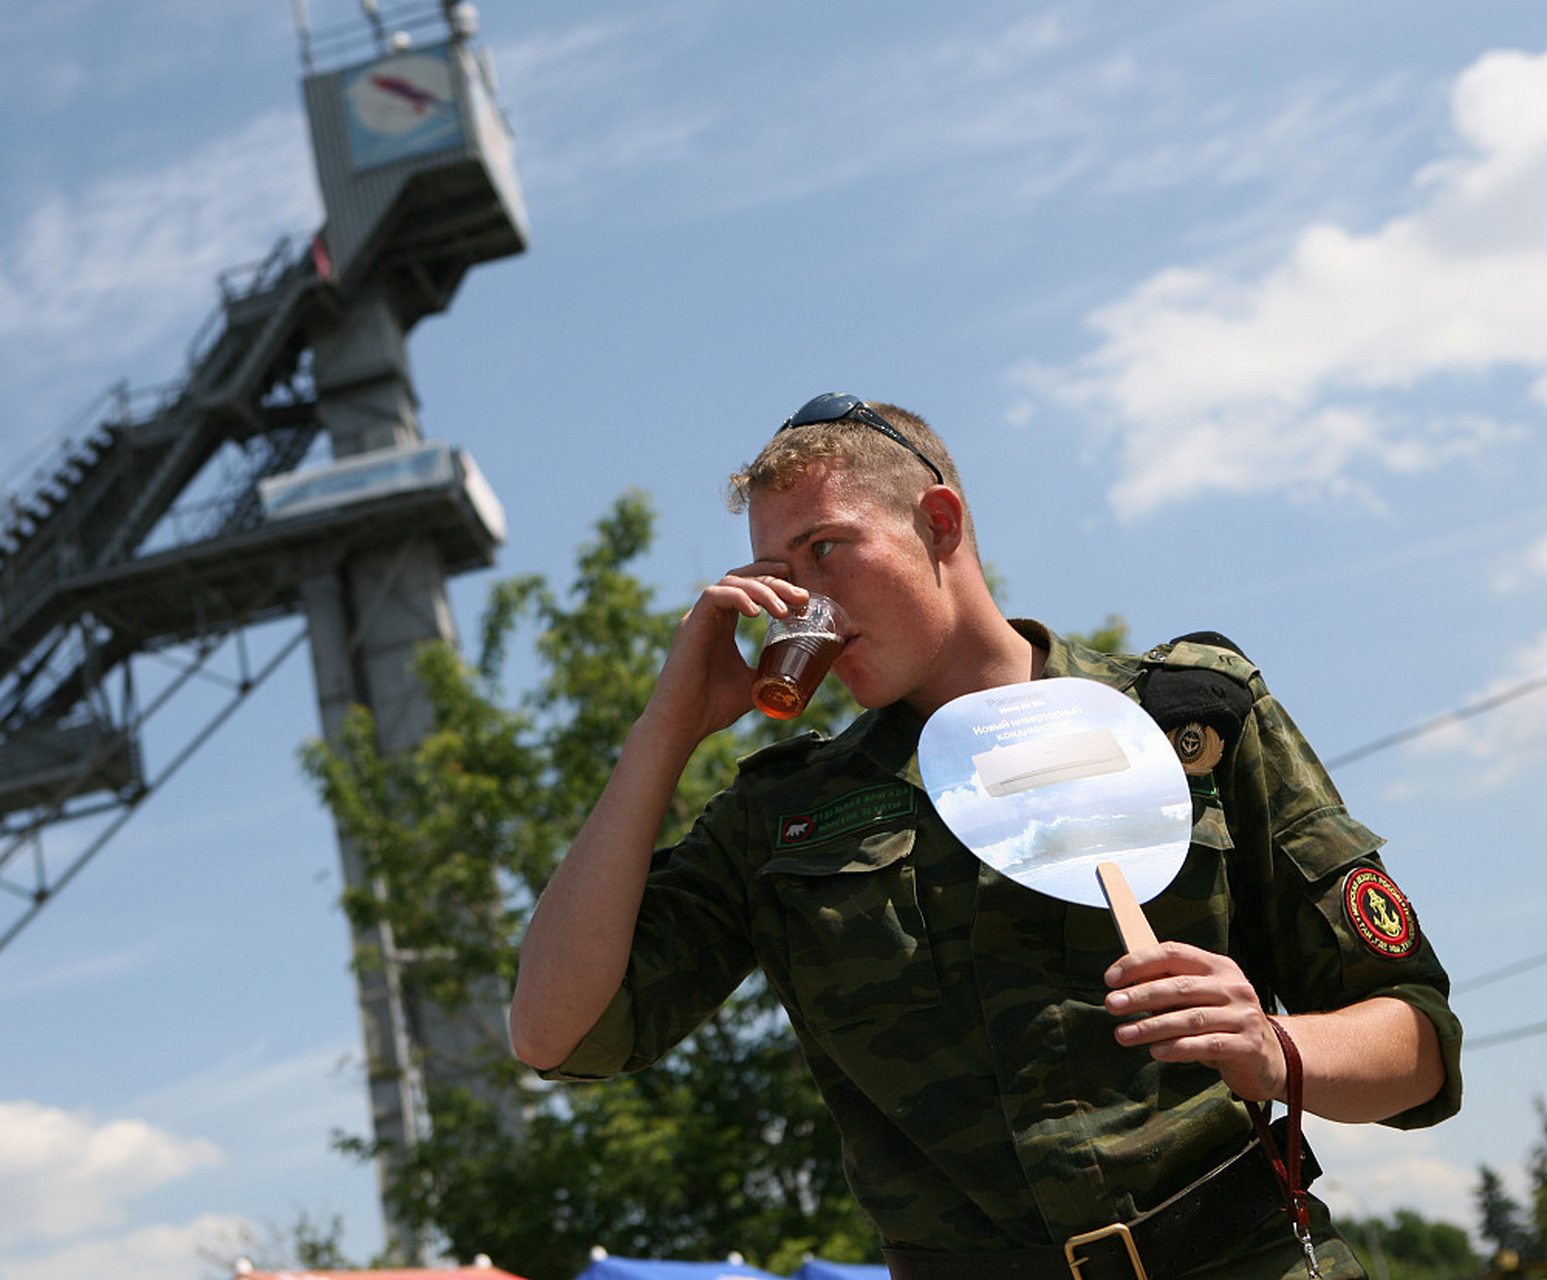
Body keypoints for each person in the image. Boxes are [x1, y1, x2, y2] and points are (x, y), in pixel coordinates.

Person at [507, 393, 1461, 1280]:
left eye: (826, 549)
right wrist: (665, 730)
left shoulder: (1185, 717)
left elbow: (1417, 1042)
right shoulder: (781, 813)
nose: (804, 607)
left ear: (939, 523)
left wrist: (1273, 1046)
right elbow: (558, 1034)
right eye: (778, 577)